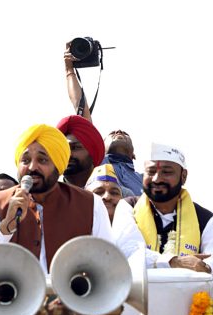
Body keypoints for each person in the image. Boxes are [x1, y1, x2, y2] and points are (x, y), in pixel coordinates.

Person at [0, 123, 112, 273]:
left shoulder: (90, 203)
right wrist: (6, 226)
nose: (32, 167)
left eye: (42, 160)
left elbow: (107, 262)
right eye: (26, 160)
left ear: (58, 165)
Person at [63, 42, 143, 196]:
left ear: (133, 154)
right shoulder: (96, 165)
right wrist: (69, 70)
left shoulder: (145, 178)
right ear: (98, 147)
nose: (118, 131)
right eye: (111, 133)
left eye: (124, 134)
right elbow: (81, 112)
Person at [130, 143, 212, 272]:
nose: (157, 179)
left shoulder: (205, 218)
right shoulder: (128, 207)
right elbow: (127, 252)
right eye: (151, 172)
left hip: (189, 291)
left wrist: (206, 265)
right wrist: (175, 262)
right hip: (139, 291)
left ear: (183, 176)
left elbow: (210, 262)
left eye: (167, 172)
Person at [86, 164, 145, 260]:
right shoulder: (77, 230)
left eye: (114, 193)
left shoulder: (137, 230)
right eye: (98, 192)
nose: (107, 197)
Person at [56, 114, 105, 189]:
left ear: (92, 153)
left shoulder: (115, 194)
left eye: (75, 147)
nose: (67, 154)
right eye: (63, 149)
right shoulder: (45, 194)